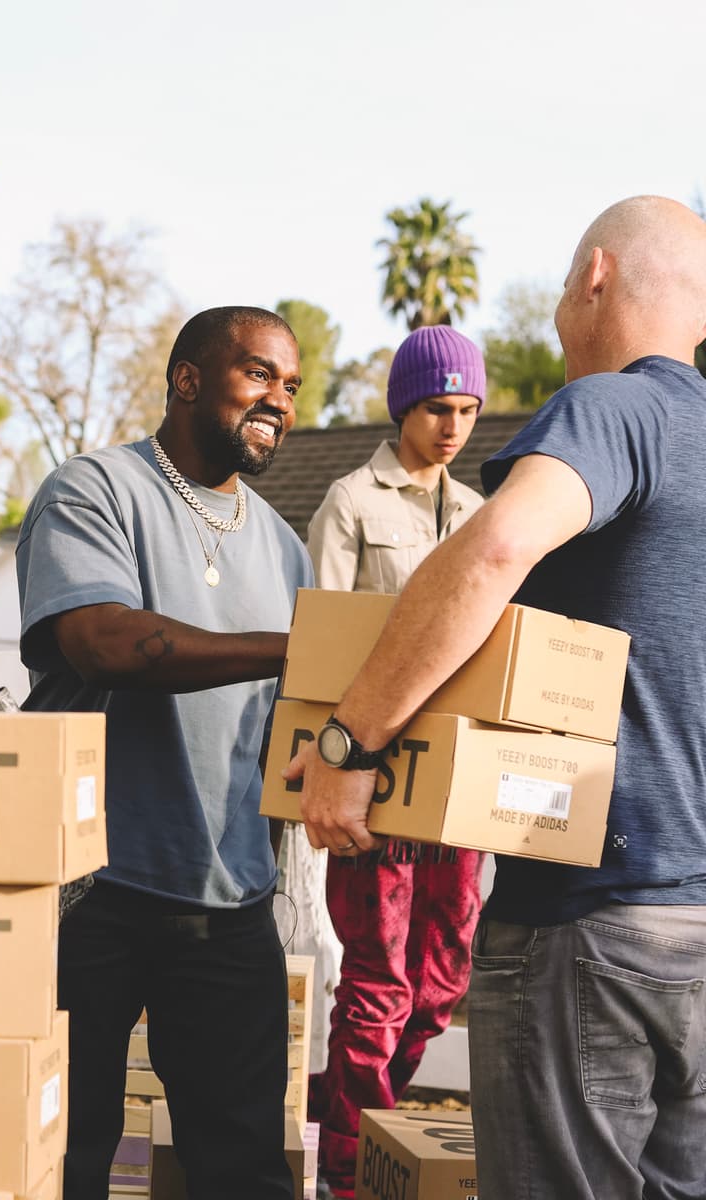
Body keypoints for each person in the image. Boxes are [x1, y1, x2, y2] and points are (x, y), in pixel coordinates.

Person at [285, 195, 706, 1200]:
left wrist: (348, 747)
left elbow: (493, 550)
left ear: (595, 277)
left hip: (592, 921)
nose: (561, 316)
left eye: (564, 290)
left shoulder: (612, 410)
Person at [16, 306, 313, 1200]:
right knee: (62, 1158)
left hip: (228, 901)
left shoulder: (286, 548)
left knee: (243, 1169)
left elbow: (293, 724)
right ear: (187, 378)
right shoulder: (94, 490)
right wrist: (292, 648)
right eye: (259, 374)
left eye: (291, 386)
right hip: (87, 895)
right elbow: (102, 641)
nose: (280, 401)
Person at [304, 326, 486, 1198]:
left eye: (466, 410)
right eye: (436, 409)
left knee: (442, 982)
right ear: (402, 409)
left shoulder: (487, 510)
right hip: (372, 784)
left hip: (456, 791)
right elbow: (321, 647)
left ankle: (366, 1118)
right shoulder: (349, 501)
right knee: (375, 986)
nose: (452, 427)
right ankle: (348, 1170)